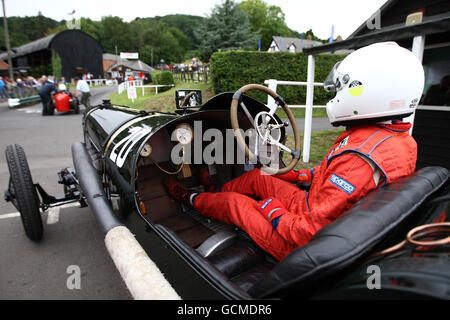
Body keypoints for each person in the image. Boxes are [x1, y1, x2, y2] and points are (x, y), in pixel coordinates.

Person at [164, 42, 425, 261]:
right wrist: (293, 176)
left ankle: (189, 199)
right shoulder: (392, 139)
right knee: (259, 177)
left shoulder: (360, 160)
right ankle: (212, 194)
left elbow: (308, 233)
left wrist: (271, 209)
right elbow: (328, 175)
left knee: (237, 204)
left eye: (342, 88)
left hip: (299, 243)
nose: (336, 94)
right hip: (315, 207)